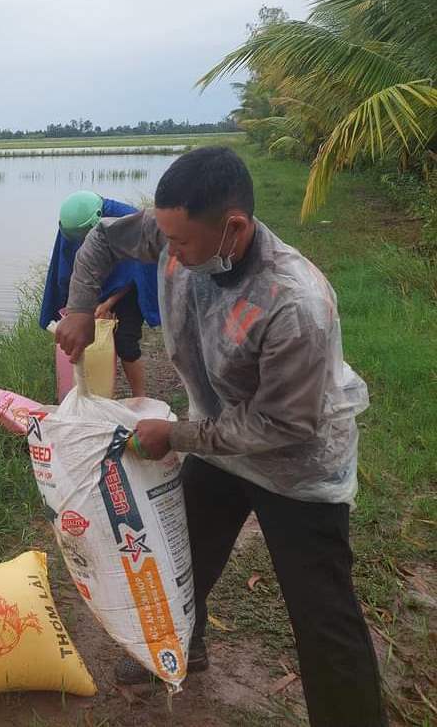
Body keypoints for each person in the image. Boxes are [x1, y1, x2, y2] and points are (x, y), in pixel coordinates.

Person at [54, 147, 385, 726]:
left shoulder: (294, 303)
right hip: (219, 439)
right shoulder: (177, 234)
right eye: (165, 239)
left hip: (297, 465)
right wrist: (81, 307)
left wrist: (176, 434)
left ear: (232, 227)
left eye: (180, 244)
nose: (168, 252)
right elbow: (103, 240)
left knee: (322, 614)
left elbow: (282, 424)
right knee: (182, 560)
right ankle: (187, 645)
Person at [40, 191, 160, 398]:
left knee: (126, 342)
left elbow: (135, 273)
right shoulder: (71, 226)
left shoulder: (128, 221)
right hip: (91, 286)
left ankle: (140, 397)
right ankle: (90, 395)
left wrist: (108, 304)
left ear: (97, 220)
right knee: (84, 341)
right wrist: (77, 307)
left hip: (128, 291)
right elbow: (68, 268)